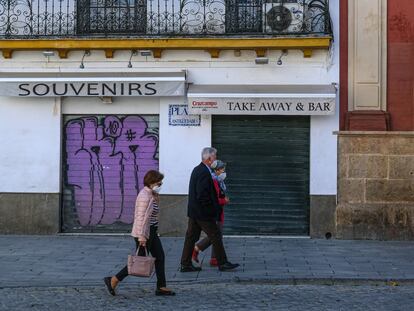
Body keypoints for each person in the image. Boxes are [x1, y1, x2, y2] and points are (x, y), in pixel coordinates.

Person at [104, 170, 175, 296]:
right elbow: (141, 218)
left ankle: (161, 286)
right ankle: (113, 280)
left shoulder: (151, 194)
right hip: (144, 233)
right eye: (159, 183)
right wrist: (142, 237)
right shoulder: (144, 196)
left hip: (151, 231)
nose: (161, 185)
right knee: (137, 261)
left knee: (160, 257)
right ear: (152, 182)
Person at [180, 147, 239, 272]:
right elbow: (202, 195)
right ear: (209, 159)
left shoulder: (198, 169)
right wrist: (211, 210)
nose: (215, 159)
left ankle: (185, 264)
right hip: (202, 213)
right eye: (215, 157)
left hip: (195, 212)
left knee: (191, 237)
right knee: (216, 235)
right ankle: (222, 263)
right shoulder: (203, 172)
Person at [192, 160, 229, 266]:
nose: (224, 171)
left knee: (218, 234)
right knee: (216, 235)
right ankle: (197, 248)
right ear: (216, 170)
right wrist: (224, 201)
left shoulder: (219, 181)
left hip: (219, 211)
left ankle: (214, 258)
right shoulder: (214, 181)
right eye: (222, 169)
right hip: (215, 212)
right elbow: (215, 198)